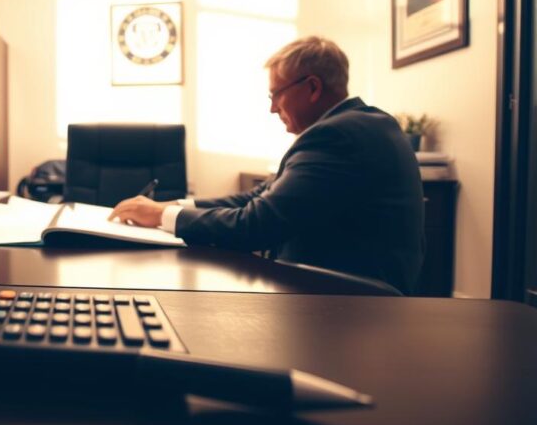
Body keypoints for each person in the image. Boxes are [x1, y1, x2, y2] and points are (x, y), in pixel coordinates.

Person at [109, 36, 424, 294]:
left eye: (276, 94)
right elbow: (256, 198)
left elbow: (257, 225)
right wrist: (173, 205)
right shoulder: (358, 125)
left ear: (313, 87)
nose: (272, 108)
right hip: (344, 289)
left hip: (347, 302)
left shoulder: (337, 136)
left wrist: (163, 216)